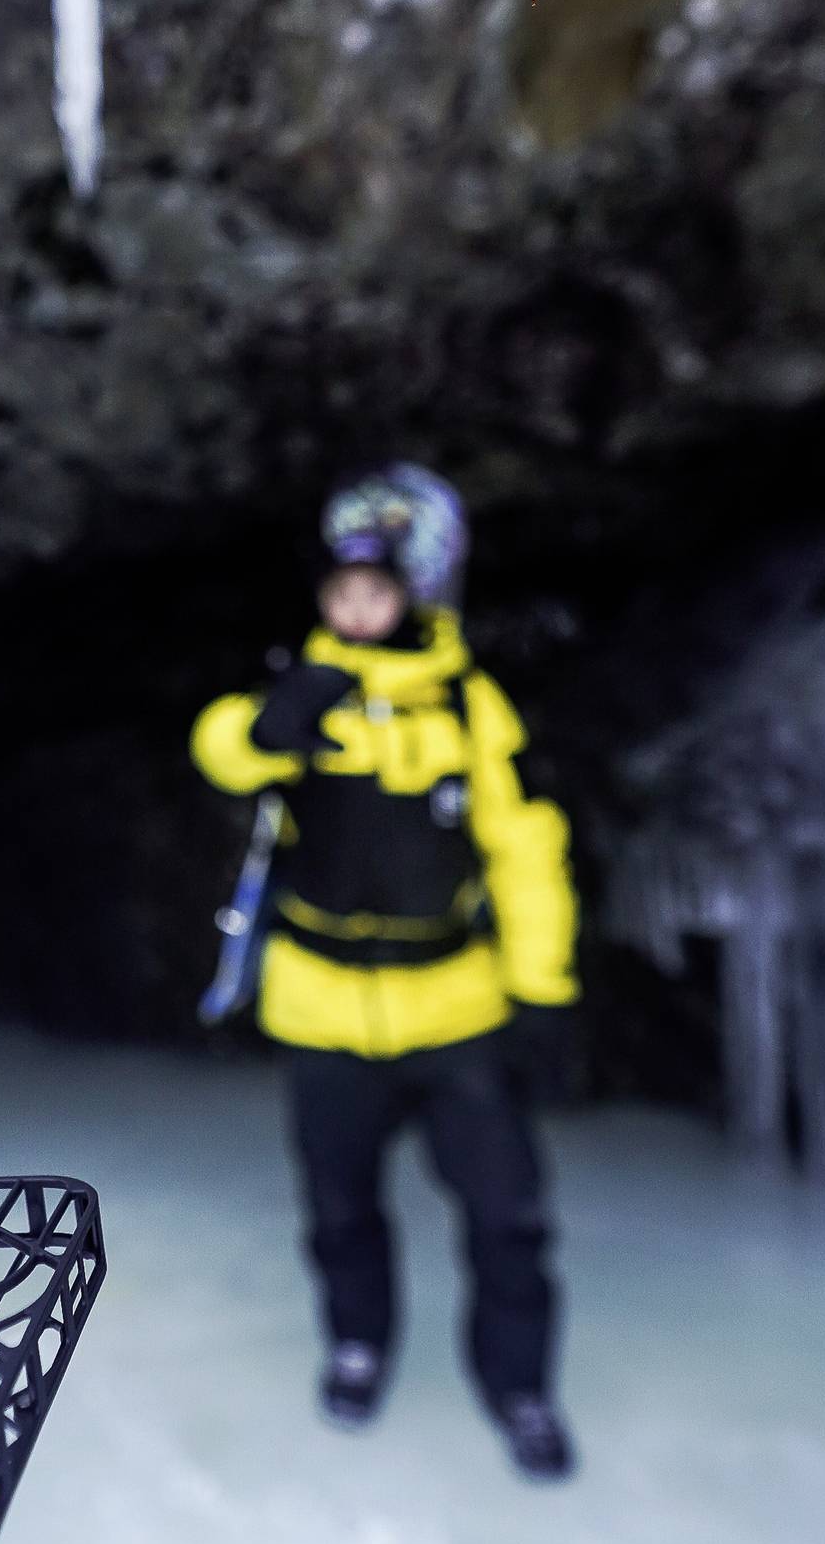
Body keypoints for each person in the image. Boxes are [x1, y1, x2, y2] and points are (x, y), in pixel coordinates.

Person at [189, 467, 583, 1478]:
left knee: (506, 1219)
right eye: (341, 592)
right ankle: (357, 1346)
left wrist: (542, 989)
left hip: (455, 1009)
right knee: (340, 1211)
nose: (357, 609)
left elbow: (525, 847)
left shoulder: (468, 704)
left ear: (413, 595)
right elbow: (221, 751)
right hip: (321, 1011)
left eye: (376, 591)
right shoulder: (297, 689)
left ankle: (520, 1388)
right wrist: (268, 725)